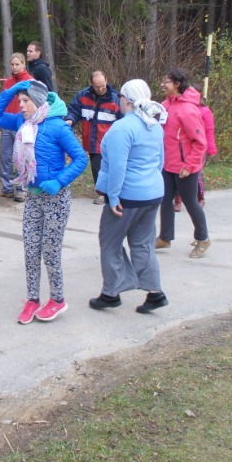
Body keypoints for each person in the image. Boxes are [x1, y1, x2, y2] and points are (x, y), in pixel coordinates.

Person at [0, 80, 87, 324]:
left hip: (55, 198)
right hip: (33, 196)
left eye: (25, 101)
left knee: (50, 251)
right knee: (31, 249)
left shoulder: (58, 127)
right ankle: (33, 299)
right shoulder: (22, 123)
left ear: (38, 101)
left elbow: (81, 159)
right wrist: (10, 91)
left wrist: (59, 181)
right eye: (19, 101)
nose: (20, 105)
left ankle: (58, 299)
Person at [91, 79, 170, 314]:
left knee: (110, 243)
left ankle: (111, 293)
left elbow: (118, 168)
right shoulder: (154, 125)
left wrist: (113, 198)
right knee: (143, 244)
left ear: (125, 100)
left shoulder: (123, 128)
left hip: (127, 197)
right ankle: (155, 293)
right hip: (153, 193)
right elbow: (160, 161)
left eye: (120, 98)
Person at [155, 68, 210, 258]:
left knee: (190, 202)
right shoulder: (165, 105)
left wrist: (189, 166)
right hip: (167, 165)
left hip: (185, 168)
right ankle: (165, 238)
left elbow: (200, 142)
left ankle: (203, 239)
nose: (163, 84)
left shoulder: (188, 110)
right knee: (164, 200)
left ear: (177, 84)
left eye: (167, 81)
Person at [65, 70, 120, 204]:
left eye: (102, 85)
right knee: (96, 168)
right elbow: (74, 110)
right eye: (97, 86)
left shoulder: (115, 98)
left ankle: (107, 193)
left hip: (109, 141)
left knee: (108, 167)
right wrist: (70, 120)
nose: (100, 89)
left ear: (106, 80)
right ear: (91, 84)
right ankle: (102, 192)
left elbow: (123, 119)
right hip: (92, 140)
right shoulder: (83, 95)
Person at [0, 53, 33, 202]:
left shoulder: (30, 81)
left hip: (23, 125)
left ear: (23, 64)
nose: (15, 67)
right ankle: (7, 187)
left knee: (21, 157)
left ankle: (22, 188)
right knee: (4, 156)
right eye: (12, 65)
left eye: (17, 64)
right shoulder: (8, 82)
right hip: (8, 123)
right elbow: (5, 102)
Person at [174, 83, 216, 211]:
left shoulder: (204, 111)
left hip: (198, 148)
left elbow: (209, 130)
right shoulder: (181, 108)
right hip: (182, 148)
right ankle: (178, 200)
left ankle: (200, 196)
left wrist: (211, 148)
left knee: (196, 174)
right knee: (178, 173)